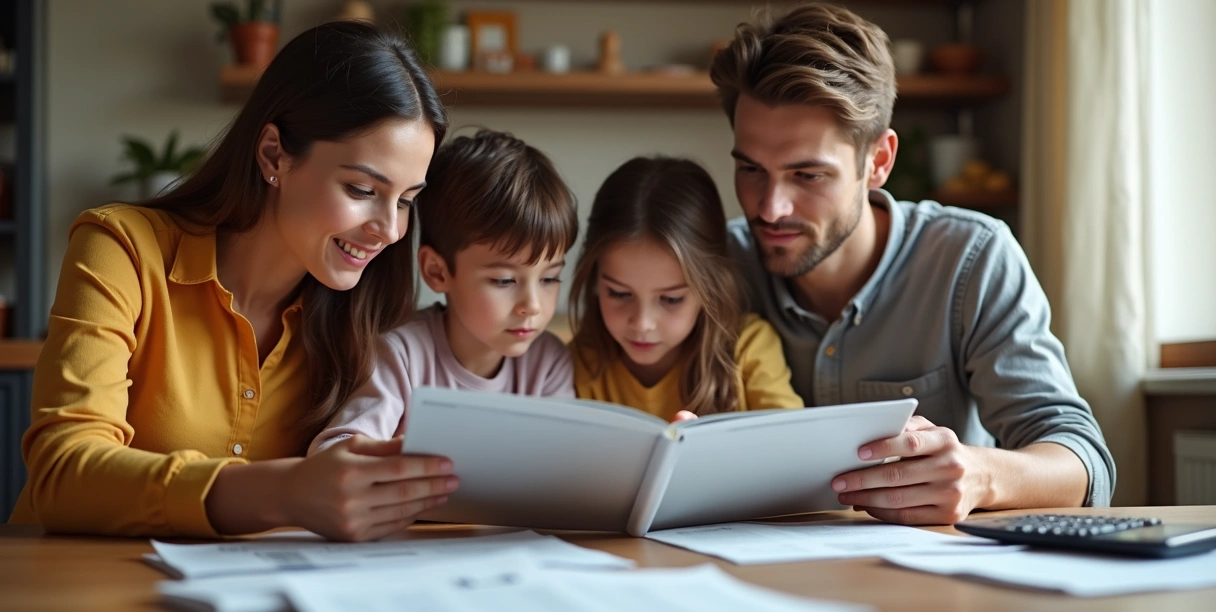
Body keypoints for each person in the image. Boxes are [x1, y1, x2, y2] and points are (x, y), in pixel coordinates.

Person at [10, 21, 458, 541]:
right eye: (361, 189)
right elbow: (62, 473)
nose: (390, 229)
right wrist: (286, 491)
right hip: (71, 595)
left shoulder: (369, 314)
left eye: (406, 201)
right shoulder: (122, 249)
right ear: (274, 154)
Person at [710, 3, 1116, 524]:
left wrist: (979, 475)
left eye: (807, 175)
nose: (770, 207)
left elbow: (1084, 462)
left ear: (878, 161)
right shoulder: (717, 266)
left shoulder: (970, 259)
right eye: (751, 169)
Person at [309, 130, 579, 452]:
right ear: (437, 271)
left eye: (549, 279)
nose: (532, 306)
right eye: (504, 281)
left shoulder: (548, 363)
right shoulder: (402, 356)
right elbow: (333, 453)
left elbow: (560, 465)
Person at [569, 156, 803, 422]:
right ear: (595, 279)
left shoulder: (749, 349)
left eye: (671, 299)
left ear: (710, 288)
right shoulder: (579, 363)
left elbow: (793, 446)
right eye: (619, 294)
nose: (642, 324)